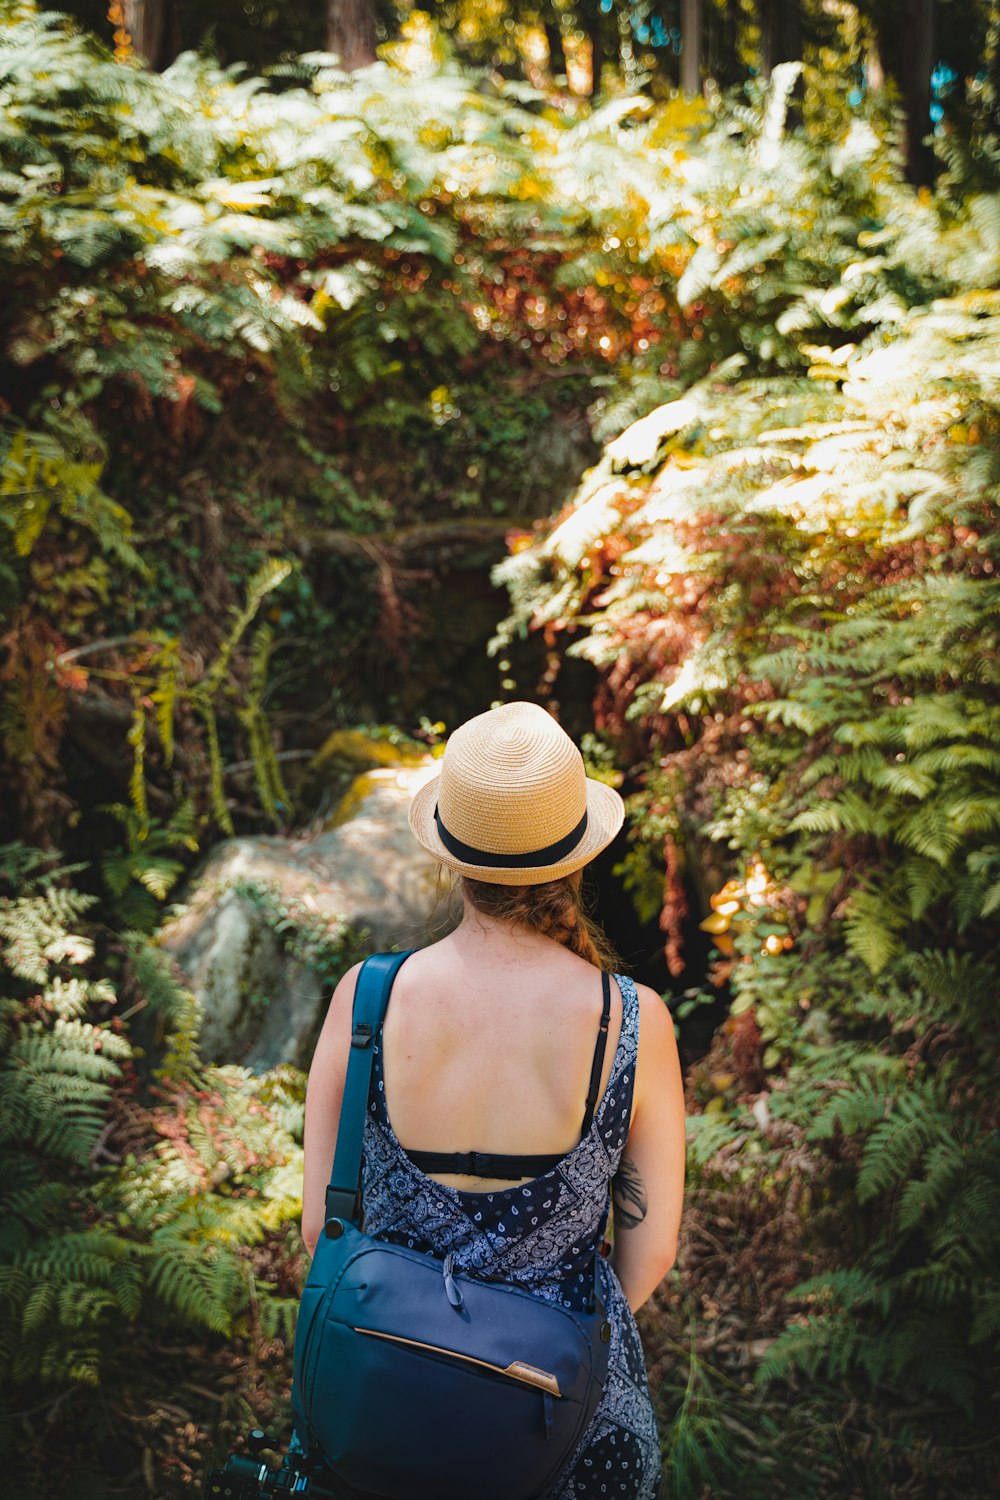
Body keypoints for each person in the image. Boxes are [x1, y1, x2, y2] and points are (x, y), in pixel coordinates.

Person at [302, 701, 685, 1499]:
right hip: (562, 1426)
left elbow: (322, 1231)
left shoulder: (367, 998)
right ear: (578, 855)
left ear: (452, 852)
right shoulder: (633, 1022)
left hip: (382, 1404)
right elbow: (646, 1260)